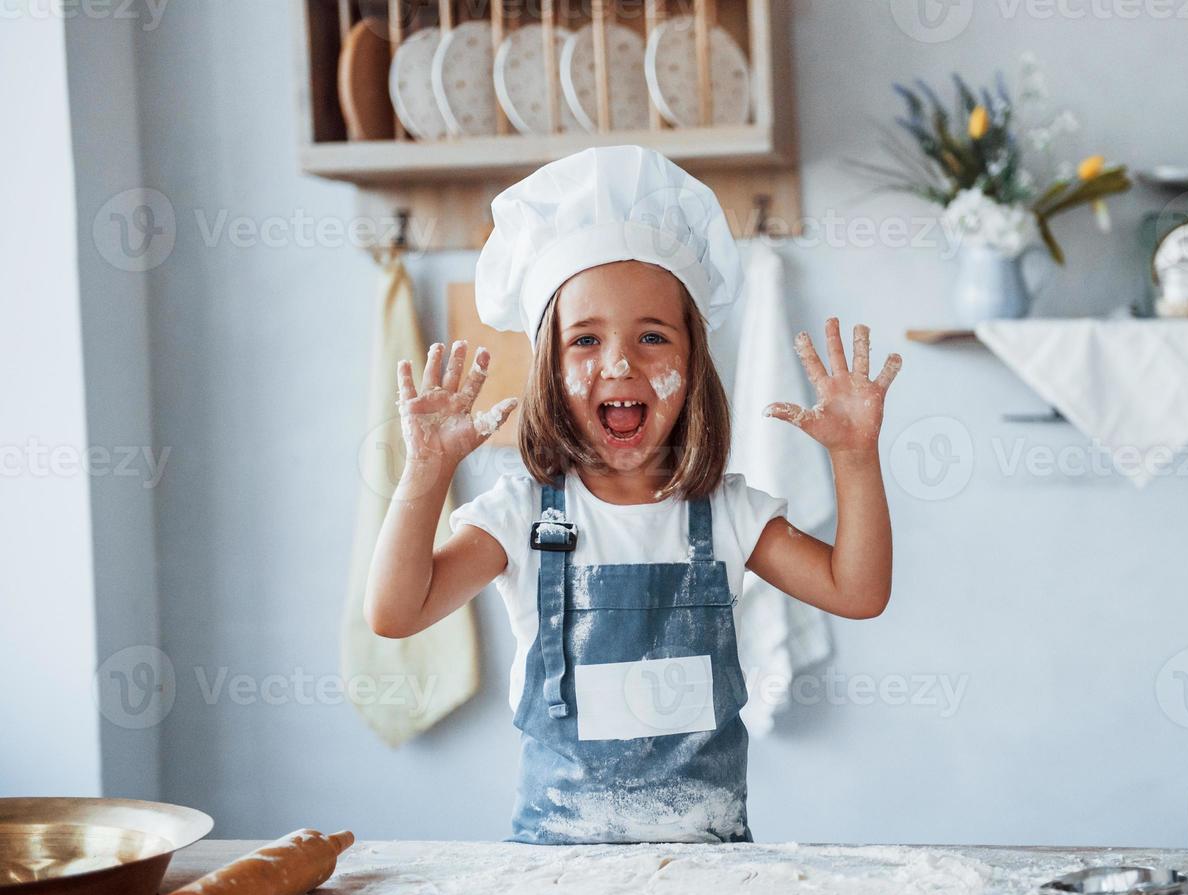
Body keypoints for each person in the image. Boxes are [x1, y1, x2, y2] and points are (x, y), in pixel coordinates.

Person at [364, 145, 902, 844]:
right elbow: (395, 613)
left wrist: (856, 459)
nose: (620, 363)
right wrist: (425, 474)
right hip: (556, 870)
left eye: (652, 337)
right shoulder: (522, 513)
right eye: (585, 340)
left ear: (693, 364)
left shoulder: (729, 512)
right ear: (549, 372)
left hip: (710, 878)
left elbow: (858, 592)